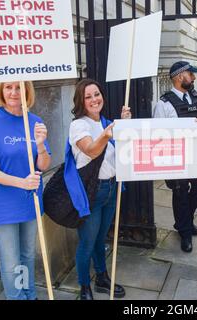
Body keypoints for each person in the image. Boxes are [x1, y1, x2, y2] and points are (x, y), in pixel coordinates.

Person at [0, 81, 51, 300]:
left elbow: (43, 165)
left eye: (19, 87)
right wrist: (22, 183)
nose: (14, 92)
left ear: (27, 91)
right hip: (3, 206)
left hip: (30, 202)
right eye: (8, 87)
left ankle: (29, 295)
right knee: (11, 263)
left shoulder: (35, 121)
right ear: (1, 91)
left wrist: (42, 145)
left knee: (27, 257)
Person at [69, 79, 131, 300]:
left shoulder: (104, 121)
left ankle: (102, 278)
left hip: (111, 188)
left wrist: (125, 126)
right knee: (87, 241)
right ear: (81, 101)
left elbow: (124, 151)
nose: (94, 99)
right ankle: (84, 285)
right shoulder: (79, 125)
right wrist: (106, 135)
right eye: (88, 96)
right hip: (91, 192)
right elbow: (91, 151)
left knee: (100, 238)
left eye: (97, 94)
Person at [152, 61, 197, 253]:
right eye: (190, 74)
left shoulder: (196, 96)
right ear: (178, 77)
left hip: (196, 153)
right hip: (176, 156)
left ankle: (184, 220)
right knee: (181, 193)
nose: (193, 77)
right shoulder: (164, 104)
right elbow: (157, 134)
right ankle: (185, 232)